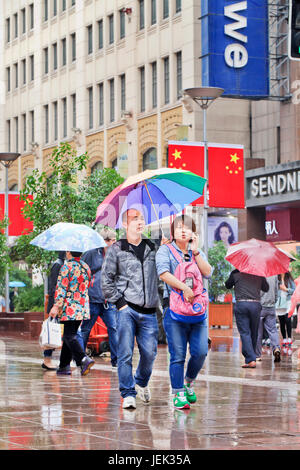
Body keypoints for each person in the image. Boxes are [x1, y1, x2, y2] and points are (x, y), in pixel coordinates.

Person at [101, 208, 159, 410]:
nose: (139, 222)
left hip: (150, 311)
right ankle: (127, 393)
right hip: (127, 309)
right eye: (135, 219)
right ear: (125, 225)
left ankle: (141, 381)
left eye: (142, 218)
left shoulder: (153, 247)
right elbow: (106, 280)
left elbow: (164, 273)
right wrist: (120, 304)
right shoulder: (117, 248)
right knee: (125, 353)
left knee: (150, 353)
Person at [156, 214, 212, 410]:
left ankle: (188, 381)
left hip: (197, 311)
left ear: (192, 233)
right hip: (174, 311)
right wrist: (184, 288)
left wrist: (196, 253)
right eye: (178, 227)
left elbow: (207, 272)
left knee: (200, 352)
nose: (182, 230)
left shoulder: (197, 252)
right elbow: (163, 273)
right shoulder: (165, 250)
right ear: (172, 232)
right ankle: (178, 393)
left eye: (187, 227)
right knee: (178, 354)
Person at [77, 230, 118, 369]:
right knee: (85, 329)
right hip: (93, 298)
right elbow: (81, 271)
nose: (115, 243)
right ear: (105, 241)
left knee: (114, 328)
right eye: (113, 240)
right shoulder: (92, 253)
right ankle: (81, 359)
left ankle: (116, 360)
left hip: (108, 300)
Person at [49, 250, 95, 376]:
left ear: (68, 252)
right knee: (71, 335)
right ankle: (64, 366)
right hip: (82, 307)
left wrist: (56, 306)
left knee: (69, 336)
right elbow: (89, 284)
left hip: (69, 307)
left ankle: (83, 359)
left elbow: (61, 288)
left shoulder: (67, 266)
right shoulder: (86, 267)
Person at [225, 269, 269, 368]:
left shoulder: (236, 273)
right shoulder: (259, 273)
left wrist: (233, 274)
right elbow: (266, 288)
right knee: (253, 333)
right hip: (255, 305)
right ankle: (250, 359)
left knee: (245, 333)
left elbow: (227, 285)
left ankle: (251, 359)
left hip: (242, 304)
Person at [42, 251, 65, 371]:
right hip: (56, 304)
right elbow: (54, 286)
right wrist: (56, 305)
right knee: (52, 331)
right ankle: (47, 360)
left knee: (58, 331)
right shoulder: (58, 264)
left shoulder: (61, 263)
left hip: (58, 303)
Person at [255, 275, 281, 363]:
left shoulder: (258, 274)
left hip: (260, 306)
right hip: (271, 306)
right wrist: (274, 301)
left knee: (258, 332)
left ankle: (257, 355)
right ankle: (276, 348)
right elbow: (276, 291)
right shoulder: (274, 275)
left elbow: (257, 291)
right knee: (273, 330)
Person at [276, 271, 295, 354]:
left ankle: (289, 338)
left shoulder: (289, 279)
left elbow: (294, 290)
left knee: (287, 320)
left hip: (287, 302)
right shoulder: (277, 278)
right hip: (279, 303)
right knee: (282, 321)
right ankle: (284, 338)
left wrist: (286, 289)